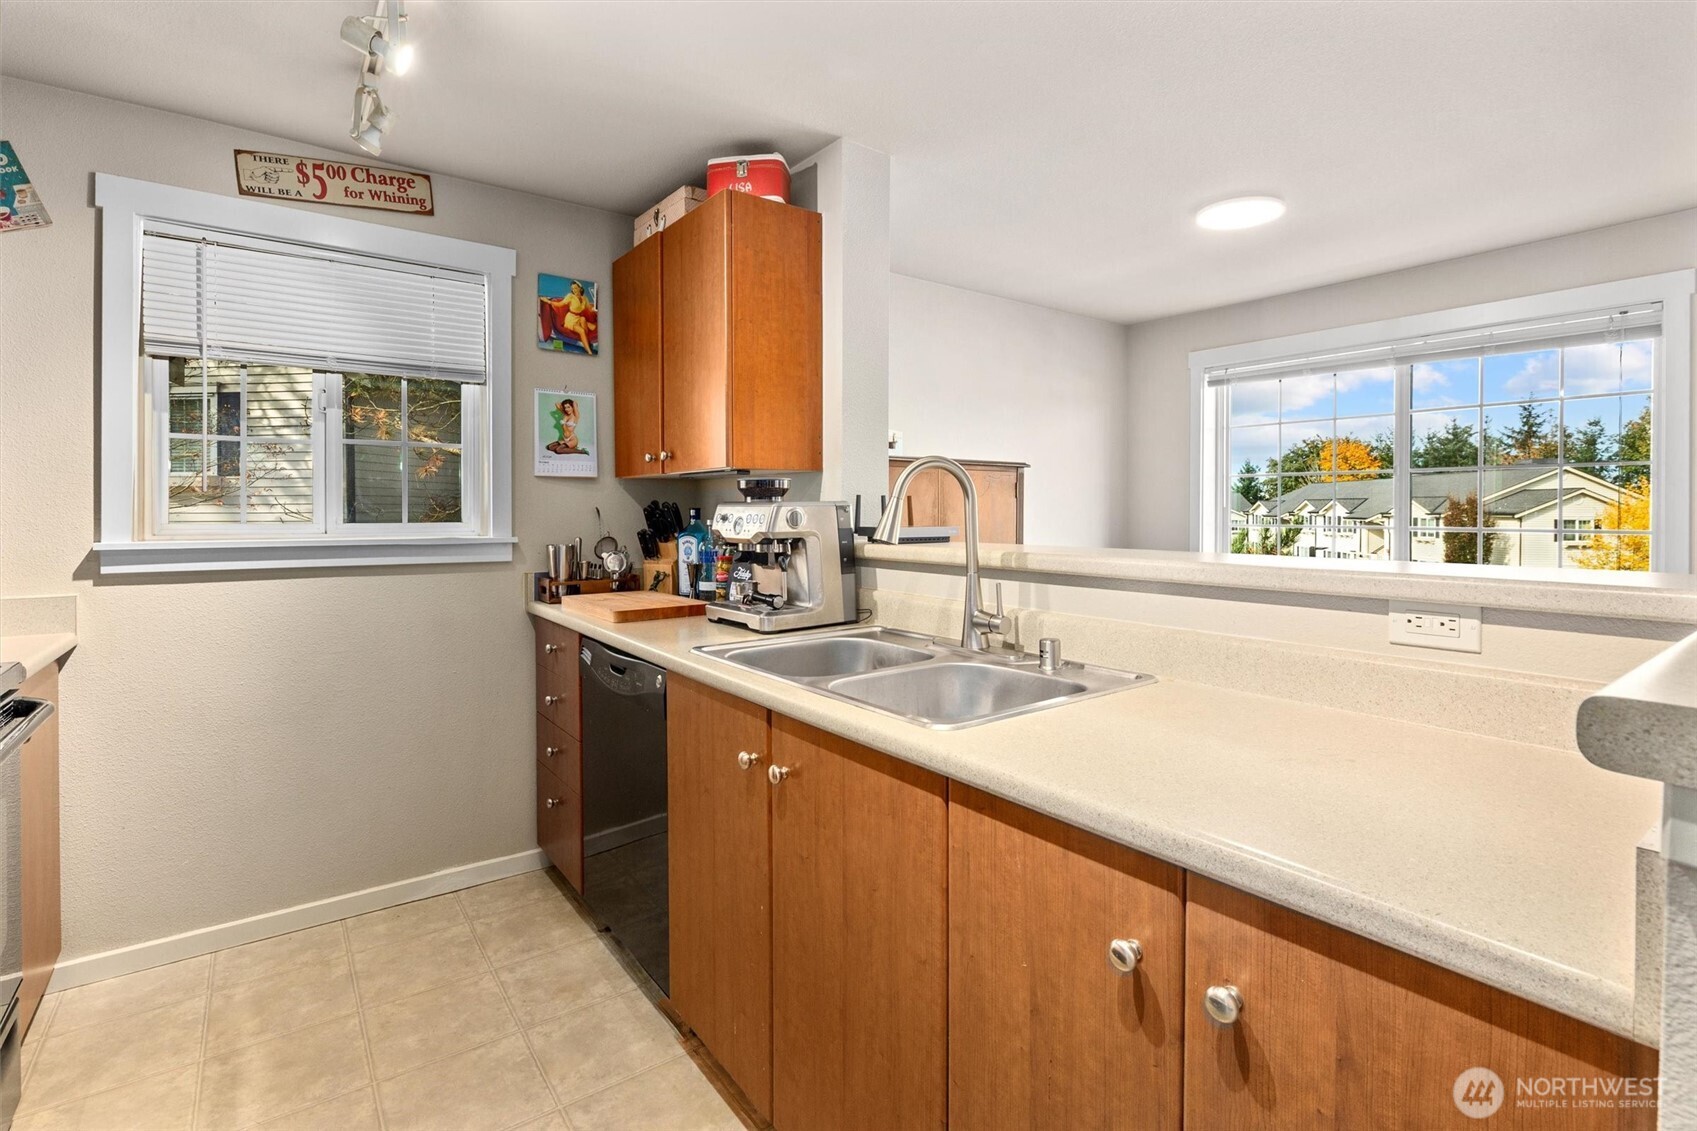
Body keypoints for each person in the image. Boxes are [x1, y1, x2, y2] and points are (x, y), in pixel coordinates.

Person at [539, 280, 597, 354]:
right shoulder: (570, 296)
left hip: (578, 318)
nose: (574, 290)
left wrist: (597, 309)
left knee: (583, 319)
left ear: (580, 288)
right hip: (570, 319)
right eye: (572, 289)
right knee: (581, 331)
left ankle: (586, 342)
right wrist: (548, 301)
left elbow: (589, 308)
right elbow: (560, 304)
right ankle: (589, 352)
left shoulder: (584, 298)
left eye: (575, 288)